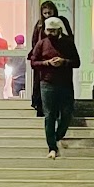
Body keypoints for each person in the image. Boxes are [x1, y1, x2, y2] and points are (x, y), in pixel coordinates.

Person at [28, 15, 80, 158]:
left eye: (53, 31)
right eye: (48, 30)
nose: (50, 33)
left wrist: (63, 62)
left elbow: (77, 62)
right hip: (47, 83)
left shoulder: (68, 43)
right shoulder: (42, 44)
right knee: (49, 116)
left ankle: (58, 136)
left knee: (67, 113)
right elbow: (33, 62)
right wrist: (47, 63)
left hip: (65, 84)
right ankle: (52, 146)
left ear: (59, 30)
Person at [30, 0, 74, 116]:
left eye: (50, 13)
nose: (48, 16)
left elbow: (69, 38)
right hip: (44, 62)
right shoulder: (40, 25)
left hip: (61, 61)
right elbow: (35, 41)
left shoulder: (62, 21)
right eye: (45, 13)